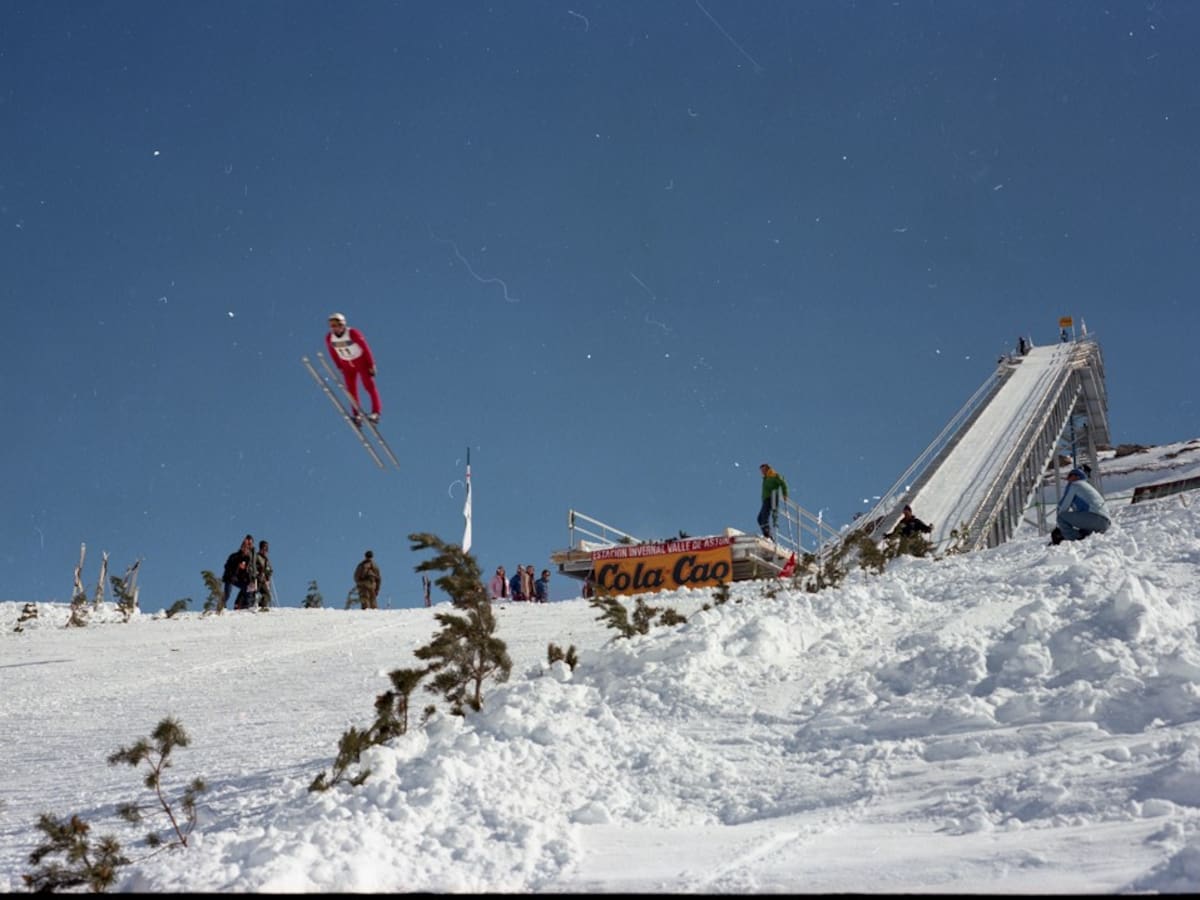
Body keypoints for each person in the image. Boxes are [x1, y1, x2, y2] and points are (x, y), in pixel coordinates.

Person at [325, 312, 381, 424]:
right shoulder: (329, 338)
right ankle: (357, 415)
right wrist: (339, 366)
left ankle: (376, 412)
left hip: (360, 361)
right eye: (332, 325)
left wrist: (371, 364)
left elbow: (365, 348)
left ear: (343, 324)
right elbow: (332, 352)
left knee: (368, 386)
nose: (335, 328)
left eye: (337, 324)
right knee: (351, 390)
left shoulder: (352, 333)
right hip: (346, 364)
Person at [1051, 468, 1111, 545]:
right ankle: (1079, 537)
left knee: (1061, 517)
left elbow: (1063, 506)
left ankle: (1073, 540)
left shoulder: (1075, 485)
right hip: (1104, 523)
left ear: (1077, 476)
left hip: (1094, 518)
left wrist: (1059, 528)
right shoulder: (1086, 486)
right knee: (1081, 532)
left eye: (1070, 476)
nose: (1067, 479)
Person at [221, 534, 257, 612]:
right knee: (227, 593)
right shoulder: (235, 556)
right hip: (230, 577)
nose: (245, 550)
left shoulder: (247, 558)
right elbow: (227, 566)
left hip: (238, 579)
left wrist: (250, 580)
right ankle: (221, 606)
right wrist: (235, 567)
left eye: (247, 548)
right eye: (244, 547)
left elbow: (246, 571)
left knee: (249, 588)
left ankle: (249, 605)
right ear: (241, 548)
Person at [757, 463, 788, 539]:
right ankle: (767, 534)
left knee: (765, 516)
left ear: (767, 468)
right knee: (759, 518)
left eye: (763, 470)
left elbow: (783, 483)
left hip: (771, 497)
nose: (762, 472)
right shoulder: (766, 478)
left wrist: (785, 493)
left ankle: (768, 535)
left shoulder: (773, 475)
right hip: (766, 499)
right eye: (761, 470)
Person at [255, 539, 274, 610]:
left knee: (267, 595)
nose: (266, 551)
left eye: (266, 549)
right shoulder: (256, 557)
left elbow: (270, 569)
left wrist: (267, 575)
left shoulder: (266, 559)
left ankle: (262, 606)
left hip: (263, 580)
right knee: (253, 594)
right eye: (264, 548)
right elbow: (252, 566)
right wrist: (258, 571)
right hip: (256, 579)